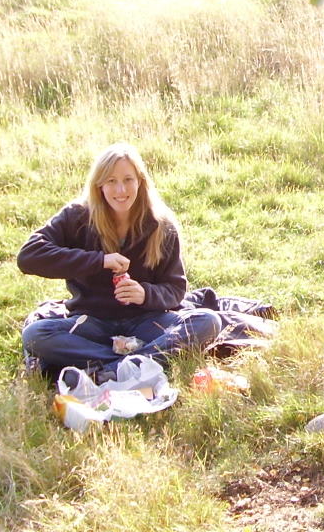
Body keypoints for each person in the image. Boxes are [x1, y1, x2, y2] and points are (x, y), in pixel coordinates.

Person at [19, 143, 221, 382]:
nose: (121, 190)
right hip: (92, 324)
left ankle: (109, 371)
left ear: (140, 181)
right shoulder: (77, 216)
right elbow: (29, 256)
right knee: (35, 335)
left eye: (128, 179)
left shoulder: (161, 225)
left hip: (146, 322)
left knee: (208, 321)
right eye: (111, 181)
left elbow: (176, 290)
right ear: (99, 185)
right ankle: (134, 365)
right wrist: (99, 261)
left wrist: (145, 294)